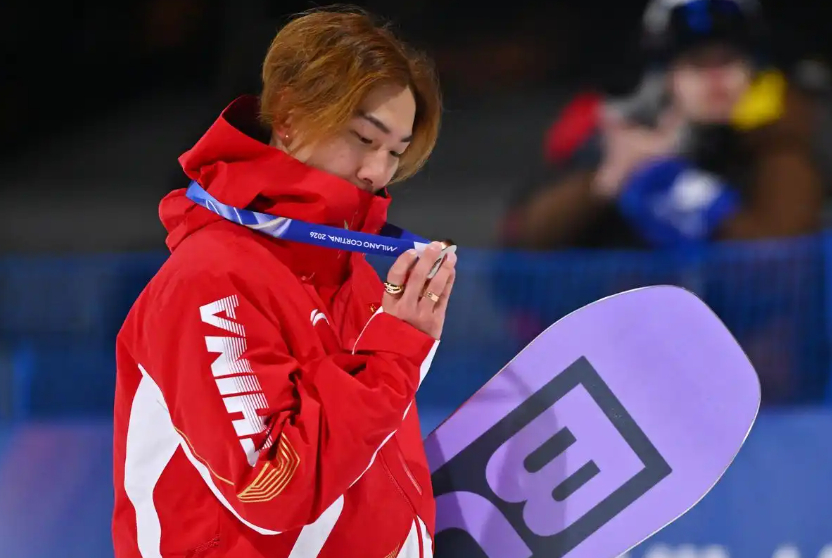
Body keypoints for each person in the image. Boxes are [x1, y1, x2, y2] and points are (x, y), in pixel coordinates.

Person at [112, 7, 453, 558]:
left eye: (395, 151)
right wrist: (393, 356)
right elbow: (272, 489)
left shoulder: (358, 279)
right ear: (290, 117)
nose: (377, 173)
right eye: (364, 138)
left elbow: (370, 469)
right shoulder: (210, 280)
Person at [502, 0, 824, 251]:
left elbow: (783, 264)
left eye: (727, 60)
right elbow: (521, 245)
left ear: (752, 71)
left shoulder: (779, 142)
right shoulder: (621, 138)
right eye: (697, 63)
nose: (716, 79)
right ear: (665, 78)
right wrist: (607, 180)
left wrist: (697, 197)